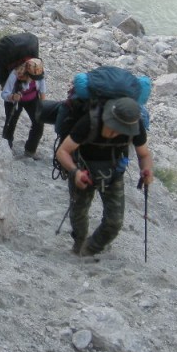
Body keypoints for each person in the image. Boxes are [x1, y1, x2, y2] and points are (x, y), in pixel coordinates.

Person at [53, 97, 154, 257]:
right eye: (114, 127)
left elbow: (144, 155)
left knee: (114, 222)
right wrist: (75, 172)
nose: (115, 132)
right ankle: (79, 243)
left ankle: (90, 248)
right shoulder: (90, 122)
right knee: (79, 212)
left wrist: (147, 170)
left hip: (113, 174)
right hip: (83, 170)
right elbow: (63, 151)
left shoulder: (136, 127)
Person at [1, 57, 46, 158]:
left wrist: (43, 105)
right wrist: (12, 97)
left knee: (39, 122)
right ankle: (6, 146)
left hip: (32, 99)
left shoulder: (39, 73)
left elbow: (42, 89)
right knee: (10, 122)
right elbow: (4, 94)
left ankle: (30, 150)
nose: (36, 79)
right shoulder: (15, 74)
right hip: (14, 100)